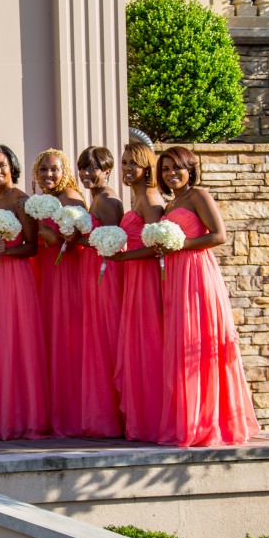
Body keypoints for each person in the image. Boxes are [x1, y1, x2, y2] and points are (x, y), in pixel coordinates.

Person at [154, 146, 260, 446]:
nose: (171, 174)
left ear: (190, 169)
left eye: (176, 167)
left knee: (197, 339)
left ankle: (209, 420)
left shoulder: (198, 196)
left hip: (196, 272)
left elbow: (219, 235)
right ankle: (189, 417)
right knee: (181, 342)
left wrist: (182, 244)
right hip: (175, 274)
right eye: (165, 169)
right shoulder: (170, 203)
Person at [0, 144, 48, 440]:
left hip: (14, 276)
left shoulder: (21, 200)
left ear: (12, 167)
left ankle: (20, 417)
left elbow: (32, 246)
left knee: (14, 339)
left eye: (1, 165)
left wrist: (8, 251)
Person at [30, 149, 86, 437]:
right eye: (43, 169)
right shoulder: (40, 201)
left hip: (66, 272)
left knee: (66, 339)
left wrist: (56, 238)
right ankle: (52, 412)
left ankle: (72, 413)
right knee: (48, 338)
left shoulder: (71, 198)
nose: (48, 174)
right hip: (44, 271)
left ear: (64, 172)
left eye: (54, 169)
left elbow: (81, 239)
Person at [114, 140, 166, 442]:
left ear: (147, 167)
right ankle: (141, 418)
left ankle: (154, 418)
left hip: (145, 276)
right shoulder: (136, 197)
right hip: (133, 274)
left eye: (133, 163)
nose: (127, 168)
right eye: (124, 162)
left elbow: (157, 247)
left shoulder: (149, 198)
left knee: (148, 342)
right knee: (136, 344)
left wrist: (123, 257)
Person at [77, 145, 125, 438]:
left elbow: (113, 239)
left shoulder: (107, 200)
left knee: (107, 336)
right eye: (83, 168)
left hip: (105, 272)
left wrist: (77, 238)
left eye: (93, 168)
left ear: (107, 171)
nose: (86, 173)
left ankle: (115, 415)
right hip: (93, 269)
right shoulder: (95, 197)